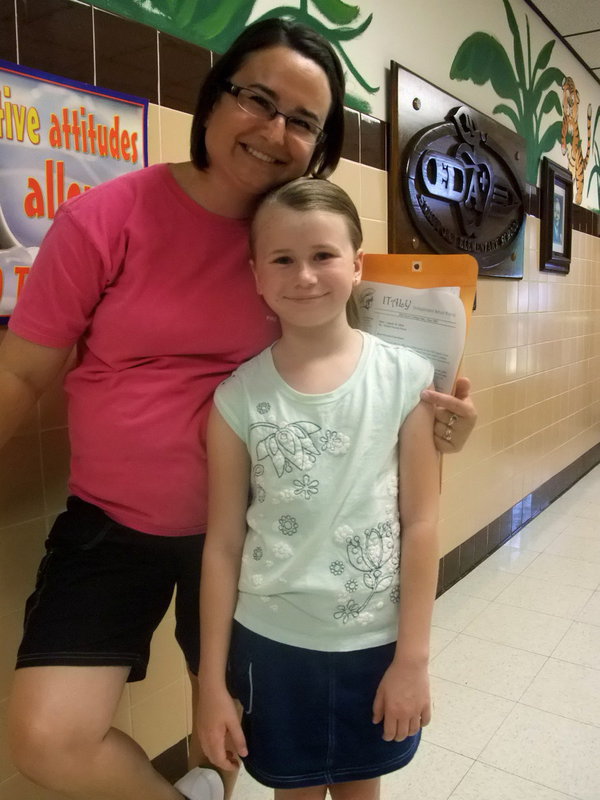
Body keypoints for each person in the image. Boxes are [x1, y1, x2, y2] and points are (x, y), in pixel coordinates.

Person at [0, 17, 475, 800]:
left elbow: (391, 375)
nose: (274, 130)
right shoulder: (103, 221)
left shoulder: (305, 240)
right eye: (258, 98)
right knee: (47, 737)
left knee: (235, 734)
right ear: (214, 96)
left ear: (320, 146)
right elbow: (19, 378)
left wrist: (448, 418)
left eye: (304, 121)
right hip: (115, 523)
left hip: (271, 535)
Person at [197, 177, 440, 800]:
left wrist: (412, 659)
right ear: (256, 274)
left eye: (323, 255)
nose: (304, 275)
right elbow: (222, 545)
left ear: (358, 265)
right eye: (283, 259)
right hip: (272, 644)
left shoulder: (407, 380)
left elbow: (423, 524)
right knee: (293, 791)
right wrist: (210, 683)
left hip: (373, 643)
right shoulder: (237, 398)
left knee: (363, 788)